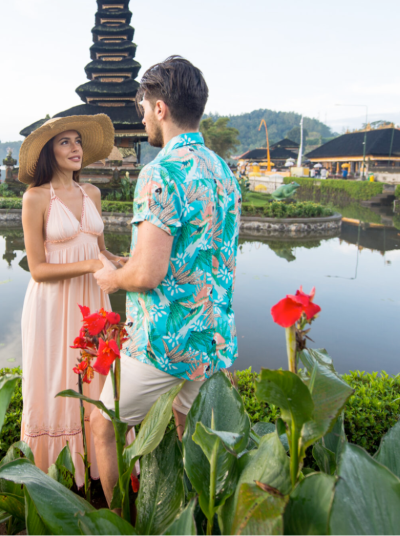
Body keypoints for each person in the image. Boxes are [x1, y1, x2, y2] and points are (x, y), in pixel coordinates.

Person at [92, 56, 241, 506]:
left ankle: (123, 521)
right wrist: (132, 260)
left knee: (103, 427)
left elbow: (148, 274)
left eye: (143, 106)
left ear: (160, 109)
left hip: (164, 344)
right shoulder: (223, 171)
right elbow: (201, 251)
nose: (141, 116)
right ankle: (189, 518)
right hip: (212, 339)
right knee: (187, 436)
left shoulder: (160, 172)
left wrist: (113, 277)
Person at [17, 114, 127, 487]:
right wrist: (92, 264)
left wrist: (118, 261)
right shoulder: (35, 197)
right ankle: (59, 472)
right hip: (52, 304)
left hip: (93, 298)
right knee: (56, 378)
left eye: (77, 141)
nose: (75, 148)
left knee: (98, 376)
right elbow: (38, 269)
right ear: (49, 150)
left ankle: (100, 463)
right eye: (65, 142)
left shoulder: (91, 193)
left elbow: (99, 248)